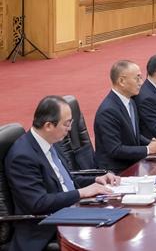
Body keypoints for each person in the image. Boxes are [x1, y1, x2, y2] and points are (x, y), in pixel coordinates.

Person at [5, 96, 120, 251]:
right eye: (66, 123)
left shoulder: (50, 142)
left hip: (69, 209)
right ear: (48, 126)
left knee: (118, 217)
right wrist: (81, 193)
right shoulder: (23, 156)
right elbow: (38, 203)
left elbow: (66, 181)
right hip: (45, 227)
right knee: (106, 236)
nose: (70, 128)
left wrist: (97, 180)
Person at [94, 60, 156, 173]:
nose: (141, 83)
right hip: (116, 171)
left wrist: (151, 142)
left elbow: (133, 135)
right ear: (121, 81)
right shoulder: (108, 111)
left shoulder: (130, 102)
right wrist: (148, 149)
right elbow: (115, 150)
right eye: (137, 78)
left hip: (132, 163)